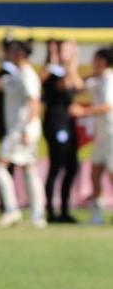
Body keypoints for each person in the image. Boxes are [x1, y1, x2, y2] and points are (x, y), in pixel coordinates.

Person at [0, 39, 46, 228]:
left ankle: (13, 210)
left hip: (21, 130)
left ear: (20, 53)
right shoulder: (16, 74)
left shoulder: (27, 74)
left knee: (0, 166)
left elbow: (34, 102)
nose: (8, 54)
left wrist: (28, 128)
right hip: (18, 130)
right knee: (28, 168)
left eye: (12, 51)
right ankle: (36, 214)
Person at [69, 47, 113, 224]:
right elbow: (78, 84)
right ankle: (97, 215)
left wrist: (84, 111)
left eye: (94, 59)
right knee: (95, 174)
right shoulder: (96, 80)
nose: (92, 63)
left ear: (102, 61)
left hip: (111, 134)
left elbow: (108, 106)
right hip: (101, 136)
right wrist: (72, 61)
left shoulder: (109, 80)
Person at [41, 39, 83, 223]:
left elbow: (78, 86)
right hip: (55, 123)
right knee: (56, 166)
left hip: (69, 124)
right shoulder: (53, 72)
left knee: (72, 167)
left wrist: (73, 64)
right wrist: (68, 64)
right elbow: (65, 84)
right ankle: (51, 211)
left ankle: (65, 209)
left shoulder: (70, 70)